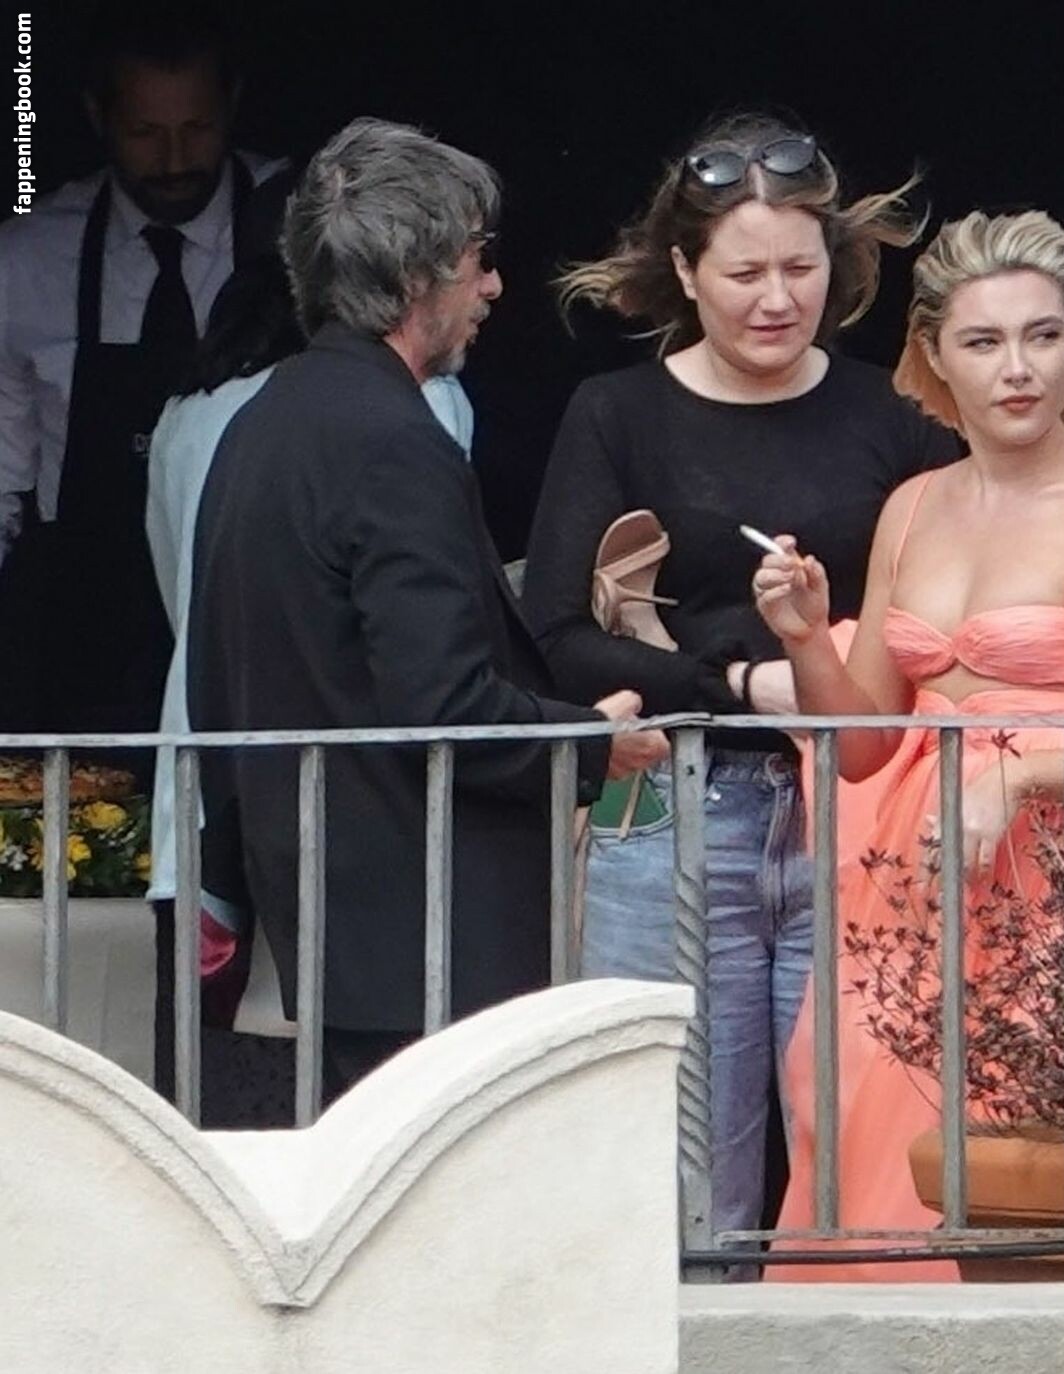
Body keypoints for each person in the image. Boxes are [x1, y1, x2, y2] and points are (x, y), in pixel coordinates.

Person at [751, 208, 1064, 1279]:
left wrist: (1025, 777)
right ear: (934, 357)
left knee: (1021, 1153)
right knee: (869, 1134)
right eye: (984, 341)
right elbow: (863, 745)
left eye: (1043, 336)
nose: (1018, 368)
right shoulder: (912, 508)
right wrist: (805, 638)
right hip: (914, 888)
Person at [520, 113, 957, 1253]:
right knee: (680, 1177)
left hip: (862, 812)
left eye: (800, 270)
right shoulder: (617, 413)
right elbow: (559, 633)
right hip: (678, 805)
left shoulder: (895, 415)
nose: (777, 299)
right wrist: (739, 682)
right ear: (683, 271)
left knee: (860, 1150)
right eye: (745, 273)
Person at [189, 118, 660, 1104]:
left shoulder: (260, 424)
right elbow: (441, 703)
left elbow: (221, 682)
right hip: (430, 935)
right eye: (478, 260)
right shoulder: (393, 441)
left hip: (335, 921)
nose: (492, 288)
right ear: (417, 279)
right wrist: (589, 742)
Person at [144, 173, 477, 1121]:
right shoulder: (423, 404)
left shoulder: (187, 411)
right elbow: (418, 608)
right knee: (372, 1115)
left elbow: (181, 591)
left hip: (205, 780)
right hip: (359, 804)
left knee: (211, 1101)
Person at [0, 1, 283, 737]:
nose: (175, 159)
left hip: (258, 614)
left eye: (198, 128)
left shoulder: (298, 234)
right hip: (89, 630)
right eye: (145, 133)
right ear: (97, 117)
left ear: (234, 104)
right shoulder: (26, 262)